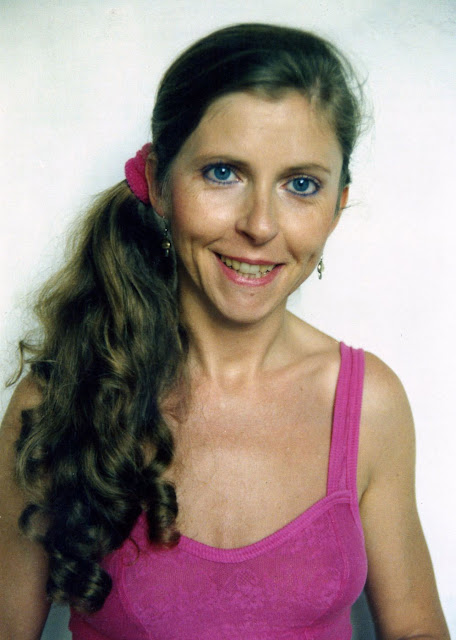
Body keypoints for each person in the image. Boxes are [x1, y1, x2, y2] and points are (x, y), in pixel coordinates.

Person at [0, 22, 449, 640]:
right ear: (159, 183)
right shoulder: (57, 399)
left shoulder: (369, 401)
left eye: (301, 185)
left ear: (337, 206)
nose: (260, 225)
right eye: (222, 173)